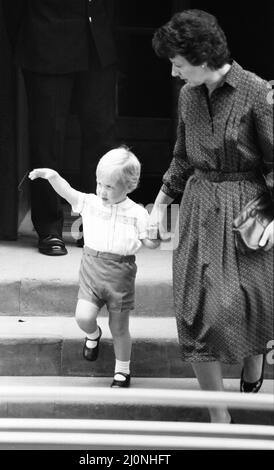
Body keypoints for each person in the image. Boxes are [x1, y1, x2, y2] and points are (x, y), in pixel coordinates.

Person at [149, 9, 273, 423]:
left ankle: (255, 365)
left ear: (201, 59)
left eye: (178, 64)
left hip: (248, 210)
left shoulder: (257, 93)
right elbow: (182, 157)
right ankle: (219, 418)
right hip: (200, 208)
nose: (173, 73)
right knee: (198, 312)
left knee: (247, 306)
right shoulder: (187, 96)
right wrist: (159, 208)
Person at [29, 146, 160, 387]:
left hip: (121, 274)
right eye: (100, 183)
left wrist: (156, 235)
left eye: (109, 186)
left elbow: (150, 243)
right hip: (92, 268)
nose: (102, 191)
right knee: (83, 317)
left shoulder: (138, 213)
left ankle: (122, 370)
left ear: (129, 186)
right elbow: (67, 192)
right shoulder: (90, 202)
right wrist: (52, 176)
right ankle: (93, 334)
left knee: (119, 327)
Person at [2, 0, 117, 255]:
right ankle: (49, 228)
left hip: (97, 40)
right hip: (46, 39)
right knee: (47, 138)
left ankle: (95, 225)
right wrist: (27, 39)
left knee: (101, 137)